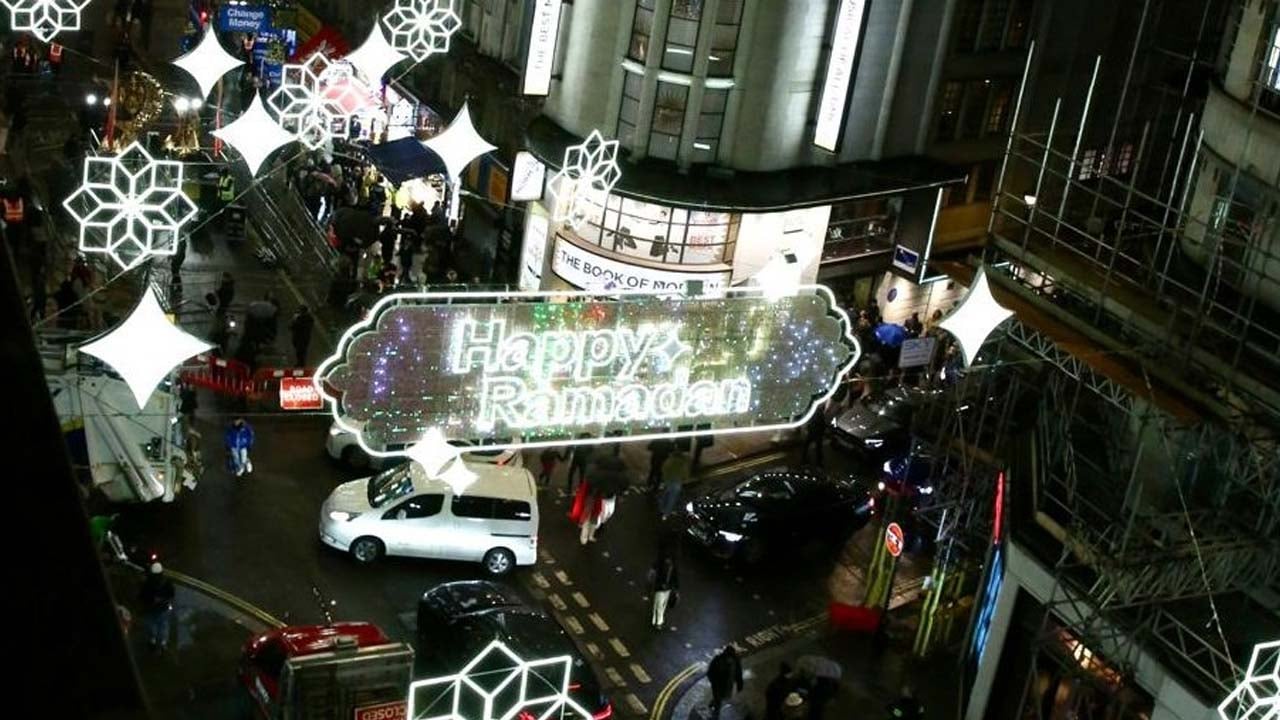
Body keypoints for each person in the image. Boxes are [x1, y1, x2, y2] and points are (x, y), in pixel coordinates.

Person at [139, 562, 175, 652]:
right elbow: (171, 595)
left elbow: (142, 595)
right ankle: (162, 643)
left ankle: (153, 641)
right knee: (163, 626)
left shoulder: (148, 582)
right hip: (162, 608)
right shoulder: (166, 582)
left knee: (152, 625)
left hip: (152, 609)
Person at [707, 645, 744, 720]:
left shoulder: (736, 661)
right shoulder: (718, 660)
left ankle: (713, 702)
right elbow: (710, 672)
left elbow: (738, 674)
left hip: (727, 684)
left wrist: (740, 684)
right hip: (718, 685)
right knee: (718, 699)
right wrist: (713, 682)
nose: (729, 659)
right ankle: (716, 713)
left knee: (722, 696)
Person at [648, 548, 679, 629]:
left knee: (660, 605)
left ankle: (655, 621)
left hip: (667, 589)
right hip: (660, 588)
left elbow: (675, 579)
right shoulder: (663, 565)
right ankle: (658, 622)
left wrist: (675, 589)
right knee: (659, 605)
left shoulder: (672, 568)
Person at [568, 477, 604, 545]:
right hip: (593, 501)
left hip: (592, 500)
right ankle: (587, 537)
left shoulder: (591, 480)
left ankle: (586, 537)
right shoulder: (600, 483)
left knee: (589, 521)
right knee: (589, 521)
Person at [658, 446, 690, 517]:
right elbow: (685, 472)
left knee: (665, 495)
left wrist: (664, 478)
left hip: (668, 480)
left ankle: (661, 508)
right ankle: (667, 513)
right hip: (677, 481)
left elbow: (664, 469)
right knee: (672, 498)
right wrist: (685, 479)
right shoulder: (683, 462)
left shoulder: (669, 460)